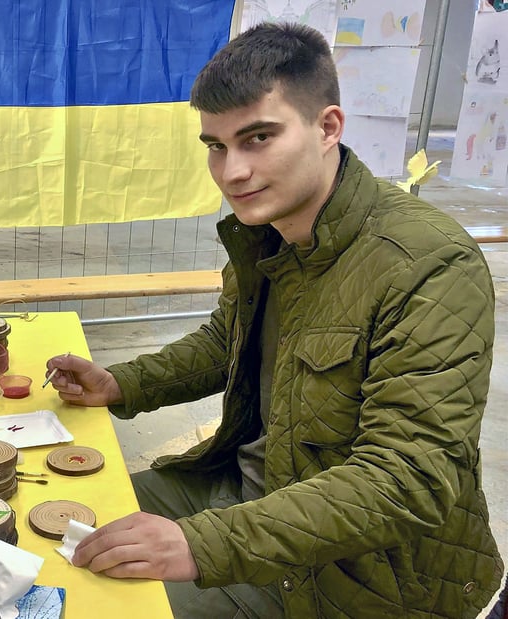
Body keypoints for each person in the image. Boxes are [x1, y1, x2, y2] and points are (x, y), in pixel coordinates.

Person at [46, 22, 503, 618]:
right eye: (216, 145)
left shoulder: (429, 263)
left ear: (327, 127)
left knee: (81, 607)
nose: (232, 171)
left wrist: (201, 543)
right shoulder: (266, 234)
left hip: (355, 572)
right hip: (235, 488)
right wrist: (124, 384)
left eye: (258, 137)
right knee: (49, 521)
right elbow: (226, 344)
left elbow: (407, 477)